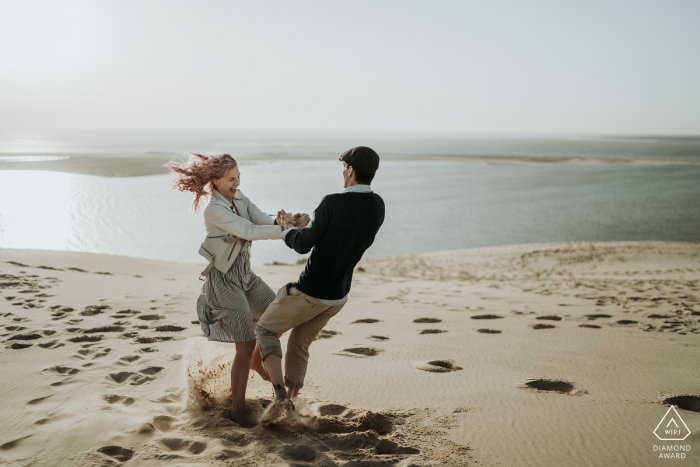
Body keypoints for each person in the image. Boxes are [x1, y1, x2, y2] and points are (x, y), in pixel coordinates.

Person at [166, 153, 310, 427]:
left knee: (276, 319)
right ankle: (238, 410)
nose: (237, 182)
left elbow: (262, 219)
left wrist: (291, 220)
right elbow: (249, 230)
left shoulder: (240, 198)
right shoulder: (214, 210)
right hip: (223, 280)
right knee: (245, 343)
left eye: (239, 177)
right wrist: (287, 230)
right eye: (231, 179)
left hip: (246, 277)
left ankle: (257, 362)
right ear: (216, 181)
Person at [255, 146, 385, 421]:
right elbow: (342, 234)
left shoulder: (333, 202)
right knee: (299, 346)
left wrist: (287, 227)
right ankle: (291, 405)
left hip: (310, 292)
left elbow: (302, 246)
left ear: (350, 170)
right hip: (337, 297)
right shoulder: (378, 205)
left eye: (343, 168)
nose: (342, 172)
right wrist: (313, 225)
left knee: (265, 329)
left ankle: (279, 396)